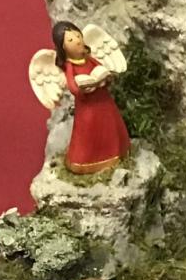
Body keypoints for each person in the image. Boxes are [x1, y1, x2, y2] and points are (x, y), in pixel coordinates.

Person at [25, 20, 131, 174]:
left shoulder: (89, 58)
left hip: (103, 100)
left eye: (77, 35)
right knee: (88, 134)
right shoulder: (70, 66)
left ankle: (116, 152)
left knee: (110, 127)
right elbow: (72, 86)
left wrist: (105, 78)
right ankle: (86, 162)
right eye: (70, 39)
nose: (77, 40)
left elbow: (101, 68)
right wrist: (83, 87)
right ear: (63, 47)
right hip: (88, 107)